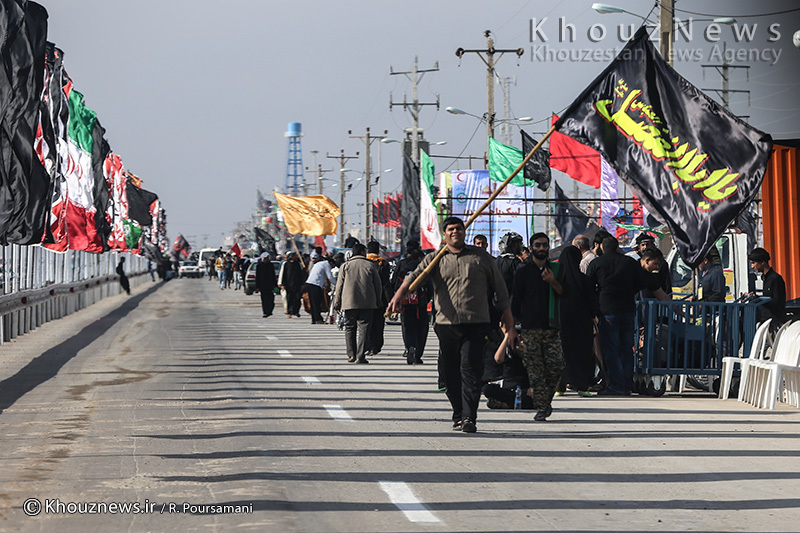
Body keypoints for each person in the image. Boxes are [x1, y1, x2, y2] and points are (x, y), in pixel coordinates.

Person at [389, 216, 517, 434]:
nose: (455, 232)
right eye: (451, 229)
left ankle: (469, 417)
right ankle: (458, 412)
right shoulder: (436, 258)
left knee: (470, 370)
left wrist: (507, 316)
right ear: (445, 234)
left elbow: (500, 287)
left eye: (459, 228)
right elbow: (415, 276)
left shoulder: (481, 257)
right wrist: (399, 295)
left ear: (464, 232)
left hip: (476, 323)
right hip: (446, 324)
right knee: (450, 373)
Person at [586, 236, 669, 396]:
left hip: (607, 310)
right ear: (618, 248)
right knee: (626, 349)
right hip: (628, 310)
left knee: (611, 350)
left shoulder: (597, 263)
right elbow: (645, 281)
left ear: (603, 249)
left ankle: (616, 385)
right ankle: (626, 383)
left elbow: (588, 289)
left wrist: (593, 311)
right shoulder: (630, 263)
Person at [512, 233, 565, 421]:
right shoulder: (523, 271)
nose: (542, 248)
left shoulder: (557, 270)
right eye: (538, 245)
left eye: (545, 245)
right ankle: (542, 407)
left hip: (552, 326)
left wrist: (552, 281)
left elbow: (565, 294)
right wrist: (511, 330)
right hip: (530, 327)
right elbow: (515, 301)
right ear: (531, 247)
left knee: (556, 365)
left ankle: (545, 400)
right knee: (535, 369)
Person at [557, 245, 597, 396]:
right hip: (582, 324)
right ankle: (582, 385)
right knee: (582, 353)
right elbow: (592, 302)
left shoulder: (556, 281)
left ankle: (559, 386)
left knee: (562, 353)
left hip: (561, 322)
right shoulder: (585, 281)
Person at [333, 243, 383, 364]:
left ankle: (351, 355)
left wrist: (337, 303)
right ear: (362, 252)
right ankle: (360, 356)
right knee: (364, 328)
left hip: (349, 303)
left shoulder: (345, 266)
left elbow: (339, 286)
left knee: (349, 328)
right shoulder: (370, 266)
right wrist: (378, 301)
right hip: (368, 303)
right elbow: (378, 286)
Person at [394, 247, 431, 365]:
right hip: (421, 305)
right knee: (421, 330)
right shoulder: (424, 270)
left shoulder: (403, 269)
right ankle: (418, 355)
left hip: (406, 305)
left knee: (408, 329)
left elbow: (395, 285)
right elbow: (430, 288)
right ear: (420, 258)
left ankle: (410, 346)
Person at [748, 247, 786, 334]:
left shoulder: (775, 279)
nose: (752, 266)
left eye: (753, 263)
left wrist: (758, 299)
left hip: (774, 323)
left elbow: (777, 302)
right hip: (766, 322)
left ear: (762, 263)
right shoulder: (764, 278)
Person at [366, 241, 391, 355]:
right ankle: (376, 345)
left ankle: (368, 345)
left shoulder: (365, 262)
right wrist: (390, 300)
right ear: (378, 250)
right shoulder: (383, 263)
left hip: (366, 298)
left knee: (367, 322)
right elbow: (386, 284)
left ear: (367, 251)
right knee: (379, 323)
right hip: (380, 298)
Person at [306, 254, 334, 324]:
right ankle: (318, 319)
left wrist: (326, 285)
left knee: (313, 303)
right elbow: (330, 277)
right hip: (315, 285)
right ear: (331, 262)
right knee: (316, 302)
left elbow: (320, 276)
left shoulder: (319, 264)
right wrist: (338, 284)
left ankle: (314, 319)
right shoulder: (326, 264)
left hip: (310, 283)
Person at [280, 252, 306, 317]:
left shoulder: (297, 264)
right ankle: (290, 312)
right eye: (294, 256)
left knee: (297, 298)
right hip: (289, 284)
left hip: (297, 284)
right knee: (289, 299)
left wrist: (302, 283)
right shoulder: (286, 264)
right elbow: (284, 275)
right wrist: (283, 284)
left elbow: (301, 274)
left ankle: (296, 311)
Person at [255, 252, 276, 317]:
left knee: (271, 299)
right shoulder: (259, 266)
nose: (267, 259)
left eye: (268, 258)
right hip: (262, 285)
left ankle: (270, 310)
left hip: (270, 285)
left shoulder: (271, 265)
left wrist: (275, 285)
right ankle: (265, 312)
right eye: (266, 258)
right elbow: (257, 277)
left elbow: (273, 275)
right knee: (264, 299)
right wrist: (257, 286)